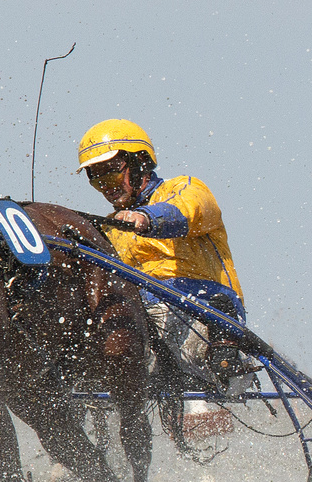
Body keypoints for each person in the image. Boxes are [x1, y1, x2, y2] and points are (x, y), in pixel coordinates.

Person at [77, 119, 252, 398]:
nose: (106, 187)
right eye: (97, 180)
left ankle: (228, 366)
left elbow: (190, 208)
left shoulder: (183, 188)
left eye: (110, 173)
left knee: (192, 351)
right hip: (144, 320)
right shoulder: (110, 228)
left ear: (140, 164)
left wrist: (146, 218)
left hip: (203, 310)